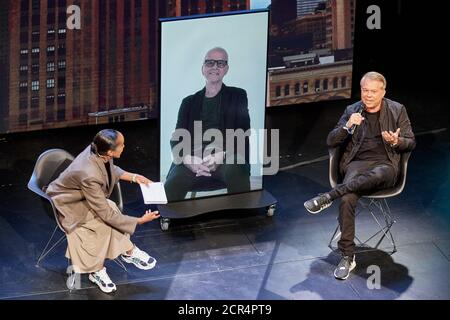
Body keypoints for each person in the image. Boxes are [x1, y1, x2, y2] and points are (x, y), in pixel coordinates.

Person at [303, 72, 416, 280]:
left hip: (385, 165)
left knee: (379, 172)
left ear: (383, 92)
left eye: (374, 91)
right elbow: (331, 141)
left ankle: (328, 196)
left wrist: (395, 142)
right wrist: (347, 126)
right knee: (347, 199)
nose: (369, 95)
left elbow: (410, 142)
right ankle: (347, 256)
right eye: (365, 90)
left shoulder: (397, 109)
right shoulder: (352, 110)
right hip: (356, 164)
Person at [46, 129, 160, 293]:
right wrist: (139, 221)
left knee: (112, 208)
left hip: (83, 196)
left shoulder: (98, 150)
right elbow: (105, 213)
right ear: (110, 151)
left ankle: (128, 252)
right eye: (121, 145)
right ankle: (98, 270)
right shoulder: (89, 174)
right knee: (101, 223)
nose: (124, 146)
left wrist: (134, 177)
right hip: (69, 203)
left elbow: (109, 169)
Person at [164, 47, 251, 202]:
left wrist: (222, 155)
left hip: (226, 157)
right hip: (193, 159)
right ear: (203, 69)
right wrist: (187, 159)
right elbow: (177, 136)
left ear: (226, 69)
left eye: (220, 63)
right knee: (171, 186)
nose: (215, 67)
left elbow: (243, 133)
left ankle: (242, 219)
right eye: (210, 63)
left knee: (236, 168)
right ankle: (168, 221)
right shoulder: (189, 102)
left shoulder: (238, 95)